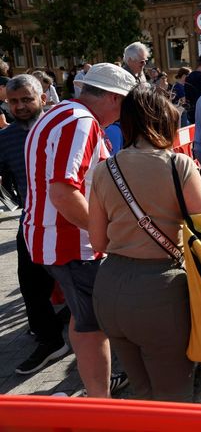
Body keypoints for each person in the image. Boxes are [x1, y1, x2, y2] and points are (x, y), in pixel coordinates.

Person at [89, 83, 201, 401]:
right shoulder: (179, 165)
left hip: (108, 289)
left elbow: (97, 240)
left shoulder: (105, 170)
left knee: (143, 391)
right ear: (162, 121)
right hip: (159, 292)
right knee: (174, 396)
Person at [23, 63, 136, 397]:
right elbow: (63, 192)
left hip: (53, 239)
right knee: (92, 325)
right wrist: (106, 234)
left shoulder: (59, 113)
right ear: (114, 99)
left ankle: (95, 388)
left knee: (83, 317)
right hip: (72, 243)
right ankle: (99, 402)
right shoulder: (81, 122)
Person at [0, 75, 68, 375]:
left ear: (43, 98)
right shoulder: (6, 138)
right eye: (14, 101)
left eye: (27, 99)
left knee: (80, 282)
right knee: (30, 284)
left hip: (71, 219)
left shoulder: (62, 128)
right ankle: (50, 340)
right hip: (31, 220)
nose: (20, 106)